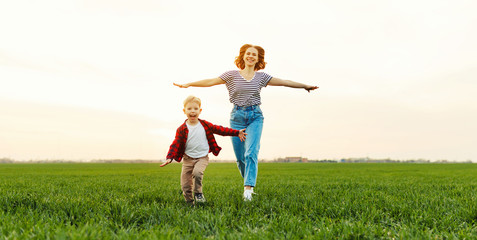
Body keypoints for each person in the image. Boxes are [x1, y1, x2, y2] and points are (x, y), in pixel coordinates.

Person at [173, 44, 318, 201]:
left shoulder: (261, 77)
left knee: (251, 152)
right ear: (243, 56)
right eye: (248, 53)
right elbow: (211, 81)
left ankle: (248, 190)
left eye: (254, 55)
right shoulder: (231, 75)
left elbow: (284, 81)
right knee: (241, 158)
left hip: (255, 116)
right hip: (237, 117)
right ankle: (248, 182)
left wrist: (305, 86)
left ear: (258, 59)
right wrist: (189, 84)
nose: (251, 56)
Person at [161, 95, 247, 205]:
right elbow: (176, 143)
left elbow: (220, 130)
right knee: (185, 185)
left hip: (202, 158)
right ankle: (190, 204)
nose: (192, 111)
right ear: (184, 111)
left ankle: (198, 193)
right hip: (187, 159)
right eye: (189, 109)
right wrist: (169, 157)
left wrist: (236, 132)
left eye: (195, 109)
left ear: (200, 111)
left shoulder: (205, 125)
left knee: (197, 173)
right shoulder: (182, 129)